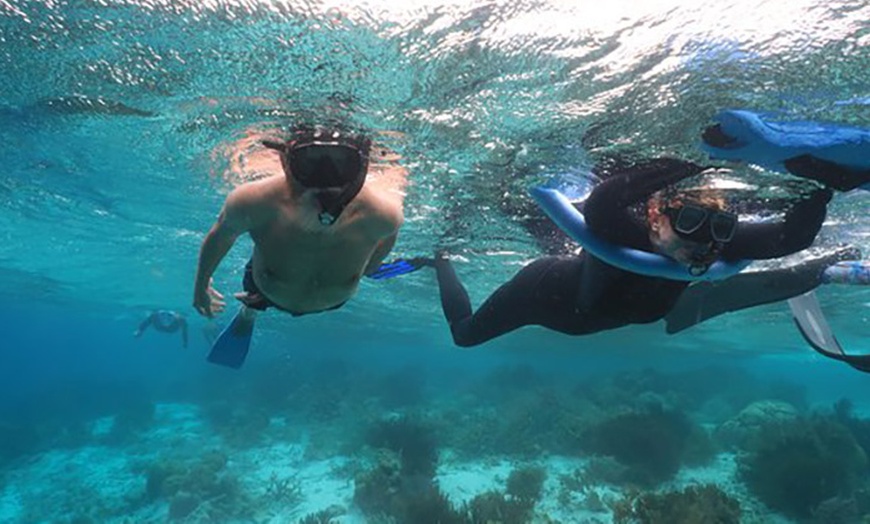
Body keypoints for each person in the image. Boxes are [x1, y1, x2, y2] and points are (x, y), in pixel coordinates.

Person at [425, 157, 834, 347]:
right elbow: (602, 206)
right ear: (654, 217)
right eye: (688, 223)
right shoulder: (629, 233)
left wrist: (822, 183)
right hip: (547, 295)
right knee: (464, 337)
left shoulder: (715, 242)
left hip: (608, 308)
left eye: (721, 229)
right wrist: (690, 162)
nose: (704, 242)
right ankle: (440, 259)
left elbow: (790, 239)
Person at [193, 125, 408, 368]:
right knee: (254, 288)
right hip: (265, 290)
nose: (324, 180)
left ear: (361, 167)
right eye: (309, 164)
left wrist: (371, 265)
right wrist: (200, 285)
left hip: (331, 300)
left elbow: (387, 238)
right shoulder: (253, 201)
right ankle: (250, 309)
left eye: (342, 164)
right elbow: (220, 235)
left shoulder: (384, 214)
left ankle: (253, 306)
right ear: (285, 160)